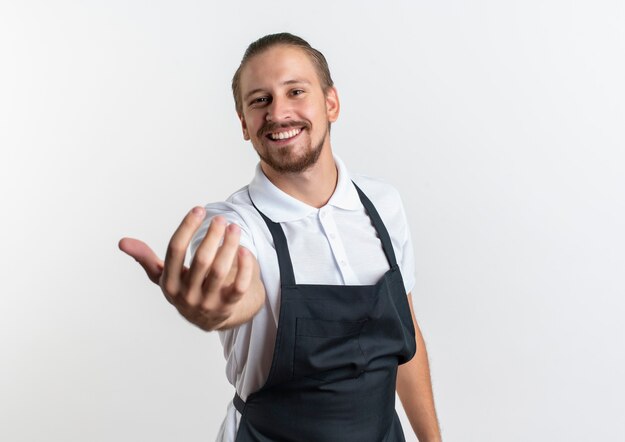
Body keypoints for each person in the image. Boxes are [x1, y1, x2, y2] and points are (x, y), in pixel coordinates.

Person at [119, 33, 442, 442]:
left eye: (295, 91)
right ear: (244, 124)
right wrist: (218, 307)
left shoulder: (383, 205)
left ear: (331, 103)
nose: (279, 112)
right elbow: (243, 289)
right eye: (260, 100)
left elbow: (405, 335)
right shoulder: (234, 225)